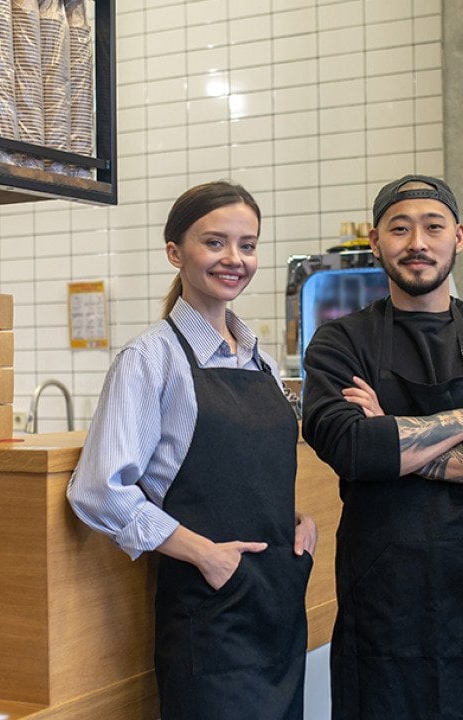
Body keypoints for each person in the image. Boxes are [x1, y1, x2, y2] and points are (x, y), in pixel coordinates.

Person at [302, 174, 463, 719]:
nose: (417, 242)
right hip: (380, 596)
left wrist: (389, 432)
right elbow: (347, 446)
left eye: (432, 226)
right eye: (400, 228)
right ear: (376, 242)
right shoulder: (339, 342)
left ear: (458, 237)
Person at [66, 181, 318, 720]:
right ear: (175, 253)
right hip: (208, 617)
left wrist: (294, 520)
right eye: (215, 243)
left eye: (247, 245)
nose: (235, 259)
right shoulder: (149, 360)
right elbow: (97, 491)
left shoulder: (263, 364)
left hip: (278, 605)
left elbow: (250, 473)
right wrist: (204, 553)